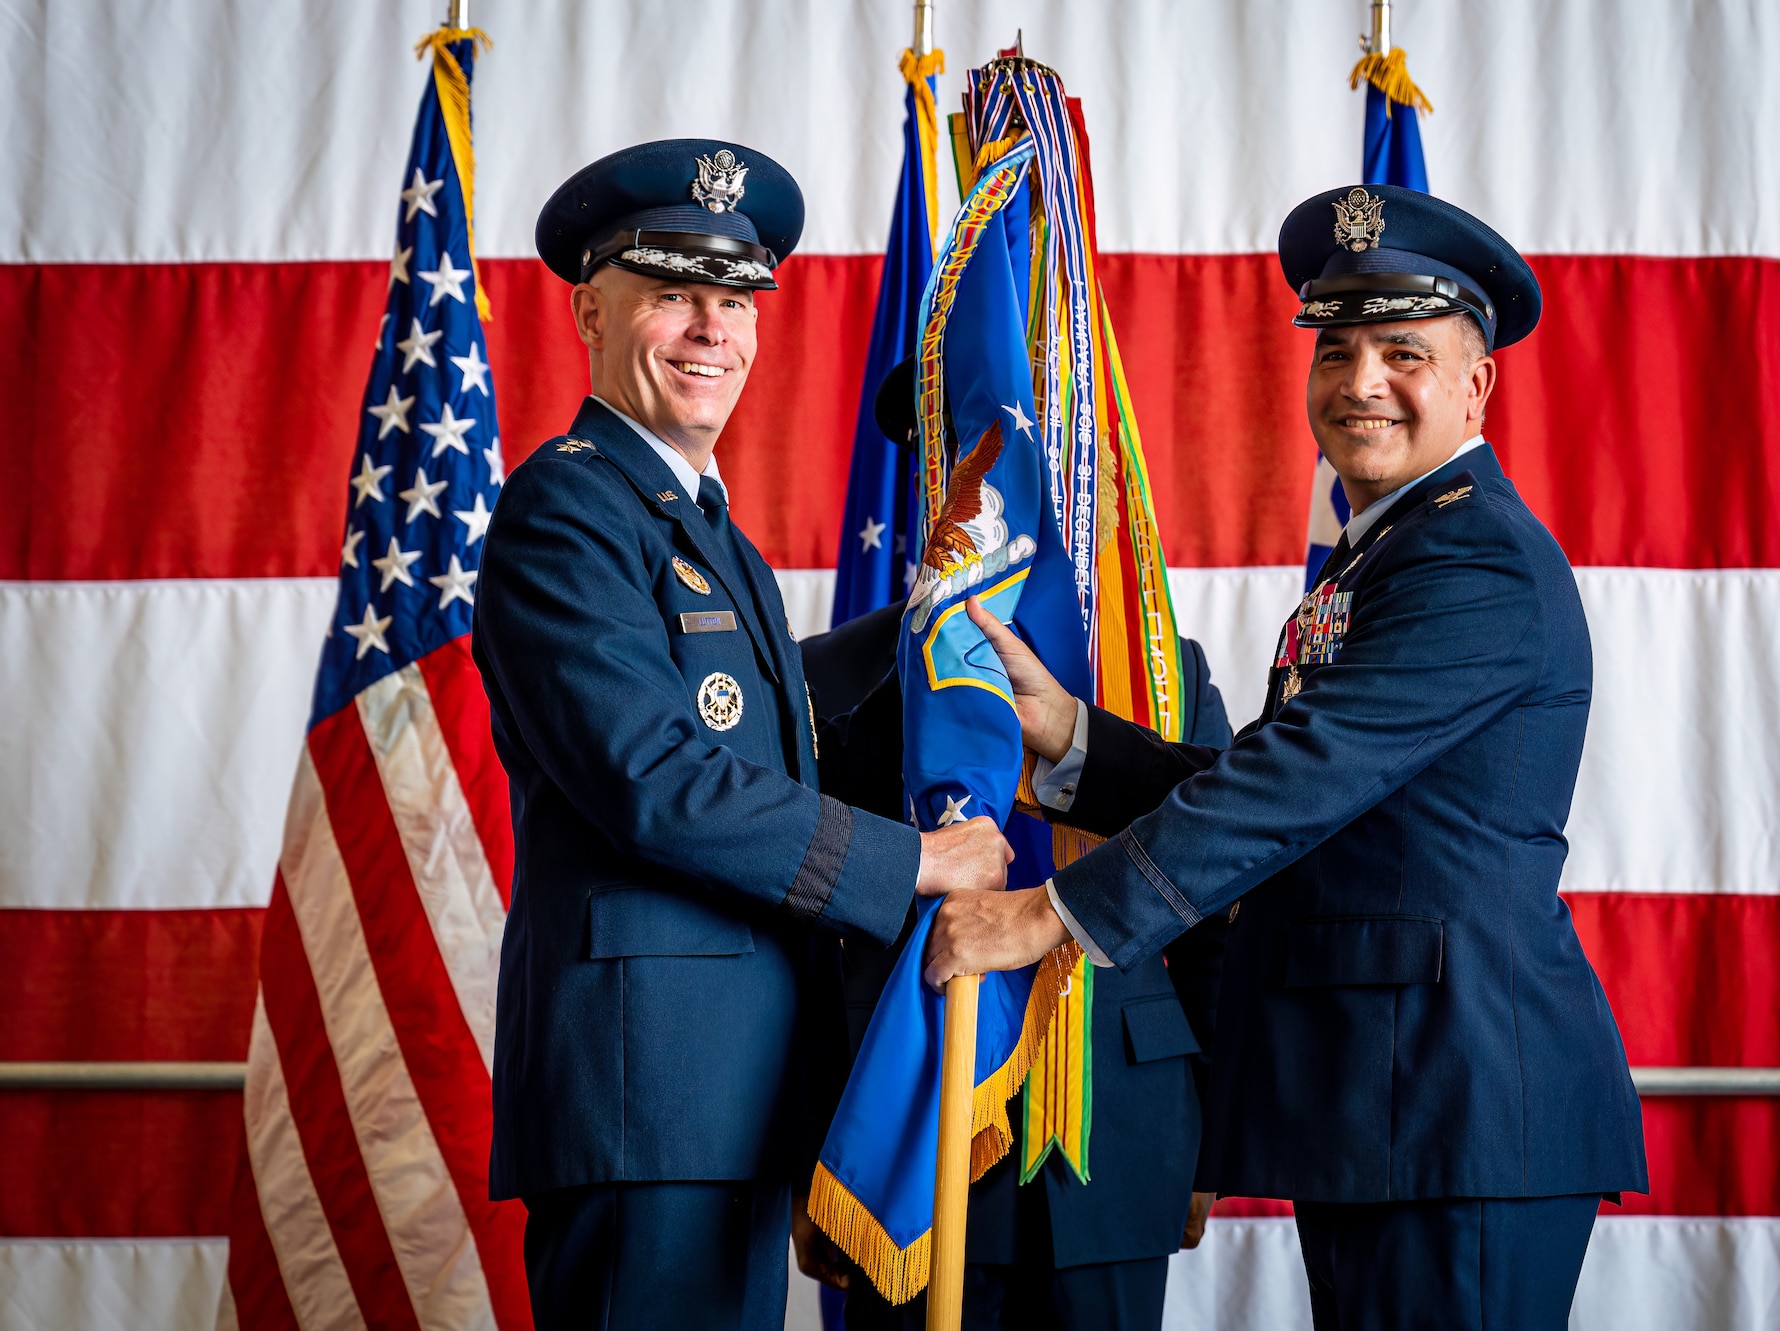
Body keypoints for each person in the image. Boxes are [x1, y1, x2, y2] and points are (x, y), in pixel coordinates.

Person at [921, 184, 1649, 1329]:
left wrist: (1045, 913)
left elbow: (1290, 782)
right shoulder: (1385, 555)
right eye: (1336, 348)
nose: (1360, 381)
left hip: (1456, 1107)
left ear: (1476, 382)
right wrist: (1067, 736)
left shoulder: (1475, 563)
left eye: (1402, 351)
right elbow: (1295, 795)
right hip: (1389, 1102)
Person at [471, 139, 1013, 1331]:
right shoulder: (564, 505)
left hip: (722, 1083)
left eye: (734, 299)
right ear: (590, 308)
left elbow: (766, 715)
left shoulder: (701, 524)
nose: (710, 328)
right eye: (672, 293)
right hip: (641, 1086)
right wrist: (916, 863)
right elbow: (656, 776)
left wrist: (924, 617)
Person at [792, 365, 1233, 1330]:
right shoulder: (826, 676)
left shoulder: (1161, 671)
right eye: (971, 464)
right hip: (909, 1119)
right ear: (929, 480)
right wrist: (807, 1151)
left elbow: (1217, 917)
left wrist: (1210, 1148)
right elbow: (801, 939)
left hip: (1121, 1130)